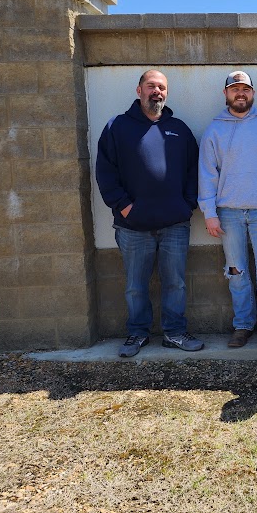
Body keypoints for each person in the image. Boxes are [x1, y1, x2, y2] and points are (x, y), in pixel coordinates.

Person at [96, 69, 203, 357]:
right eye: (151, 86)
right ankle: (137, 334)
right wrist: (125, 206)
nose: (157, 92)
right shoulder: (117, 127)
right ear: (139, 90)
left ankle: (174, 333)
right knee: (135, 286)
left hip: (175, 224)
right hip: (132, 226)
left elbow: (195, 171)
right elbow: (105, 172)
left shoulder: (179, 129)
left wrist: (187, 205)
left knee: (176, 283)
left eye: (162, 87)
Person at [198, 70, 257, 352]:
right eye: (235, 89)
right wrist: (209, 212)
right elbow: (207, 174)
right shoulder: (214, 130)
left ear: (253, 93)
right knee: (236, 270)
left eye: (245, 89)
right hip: (228, 212)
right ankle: (243, 325)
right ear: (226, 94)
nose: (240, 93)